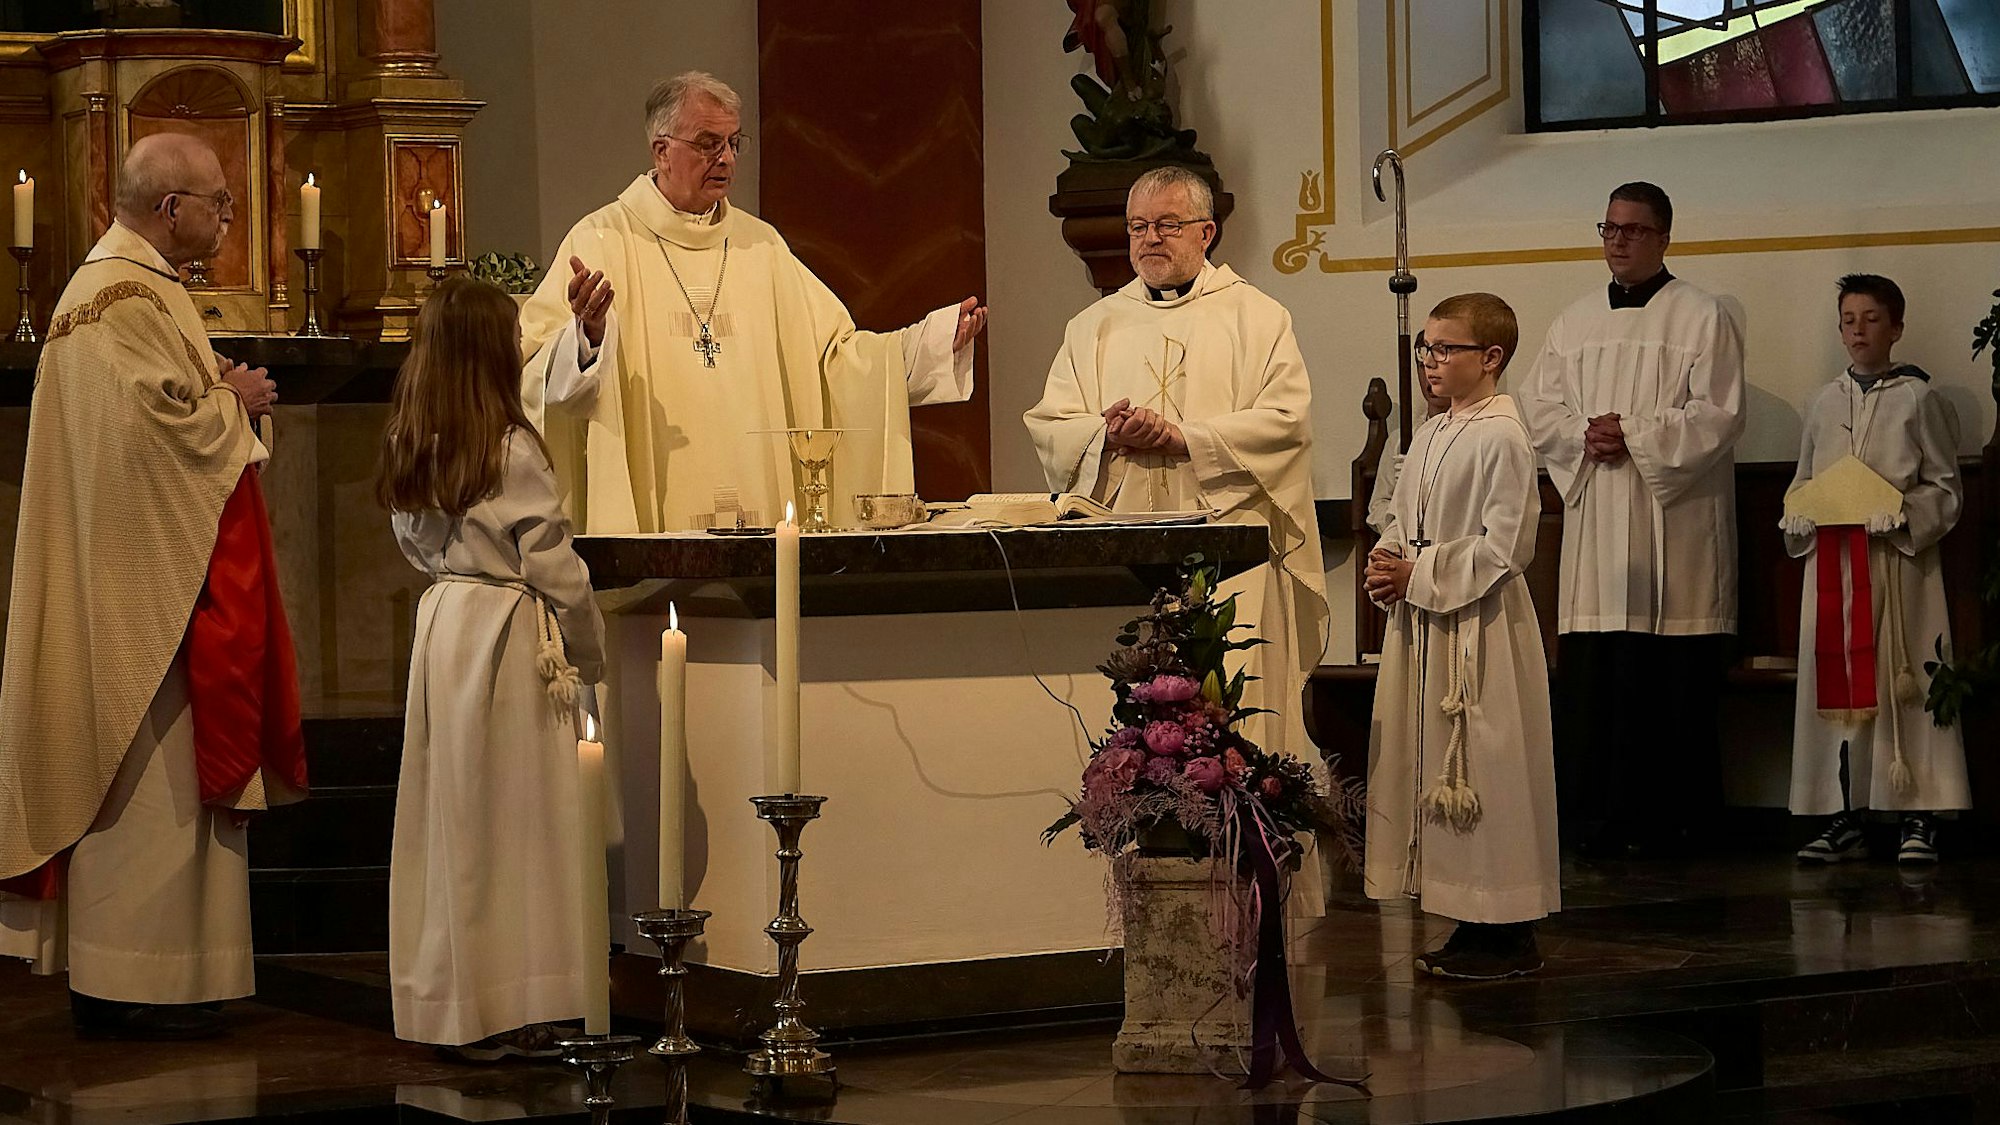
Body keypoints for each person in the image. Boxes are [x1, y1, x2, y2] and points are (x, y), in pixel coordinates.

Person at [0, 133, 305, 1038]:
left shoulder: (131, 288)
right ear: (170, 208)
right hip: (140, 591)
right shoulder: (118, 298)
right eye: (218, 200)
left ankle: (177, 975)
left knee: (167, 783)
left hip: (153, 568)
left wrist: (213, 396)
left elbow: (163, 412)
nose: (228, 215)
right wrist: (234, 402)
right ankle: (138, 977)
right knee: (147, 781)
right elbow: (153, 436)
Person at [521, 71, 987, 533]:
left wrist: (926, 344)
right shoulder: (602, 240)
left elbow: (834, 359)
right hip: (651, 516)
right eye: (707, 144)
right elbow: (535, 372)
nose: (724, 158)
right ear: (661, 151)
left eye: (732, 143)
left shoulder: (760, 247)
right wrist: (588, 336)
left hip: (761, 511)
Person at [1024, 165, 1325, 760]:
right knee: (1134, 718)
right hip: (1125, 550)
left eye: (1167, 224)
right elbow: (1050, 424)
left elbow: (1287, 422)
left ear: (1206, 232)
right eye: (1138, 227)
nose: (1149, 239)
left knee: (1237, 720)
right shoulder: (1094, 326)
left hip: (1230, 550)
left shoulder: (1258, 318)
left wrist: (1185, 438)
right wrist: (1104, 435)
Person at [379, 277, 607, 1061]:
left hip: (445, 623)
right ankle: (518, 1001)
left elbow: (412, 543)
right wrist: (590, 648)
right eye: (512, 340)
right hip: (509, 639)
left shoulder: (415, 438)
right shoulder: (510, 449)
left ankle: (453, 999)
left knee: (455, 819)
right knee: (517, 824)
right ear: (489, 353)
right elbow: (553, 564)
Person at [1521, 181, 1745, 858]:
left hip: (1673, 528)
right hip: (1597, 527)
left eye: (1633, 230)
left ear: (1664, 236)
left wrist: (1637, 433)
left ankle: (1676, 825)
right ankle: (1595, 823)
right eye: (1609, 228)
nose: (1618, 240)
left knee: (1672, 680)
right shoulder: (1574, 320)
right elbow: (1537, 407)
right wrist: (1583, 434)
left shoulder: (1702, 315)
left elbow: (1721, 413)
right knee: (1599, 680)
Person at [1364, 294, 1558, 979]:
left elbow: (1506, 547)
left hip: (1481, 630)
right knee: (1435, 764)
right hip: (1429, 622)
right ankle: (1468, 918)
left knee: (1488, 770)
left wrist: (1417, 572)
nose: (1430, 361)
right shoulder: (1436, 429)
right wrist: (1389, 559)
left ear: (1492, 357)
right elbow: (1400, 513)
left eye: (1446, 349)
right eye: (1426, 347)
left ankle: (1507, 927)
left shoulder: (1503, 434)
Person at [1783, 274, 1968, 865]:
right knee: (1843, 685)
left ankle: (1921, 811)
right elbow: (1803, 481)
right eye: (1848, 320)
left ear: (1896, 327)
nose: (1858, 330)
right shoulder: (1822, 402)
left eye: (1870, 319)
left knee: (1905, 677)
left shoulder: (1919, 400)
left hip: (1899, 567)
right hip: (1835, 566)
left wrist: (1904, 514)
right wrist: (1799, 517)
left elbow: (1944, 488)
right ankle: (1845, 813)